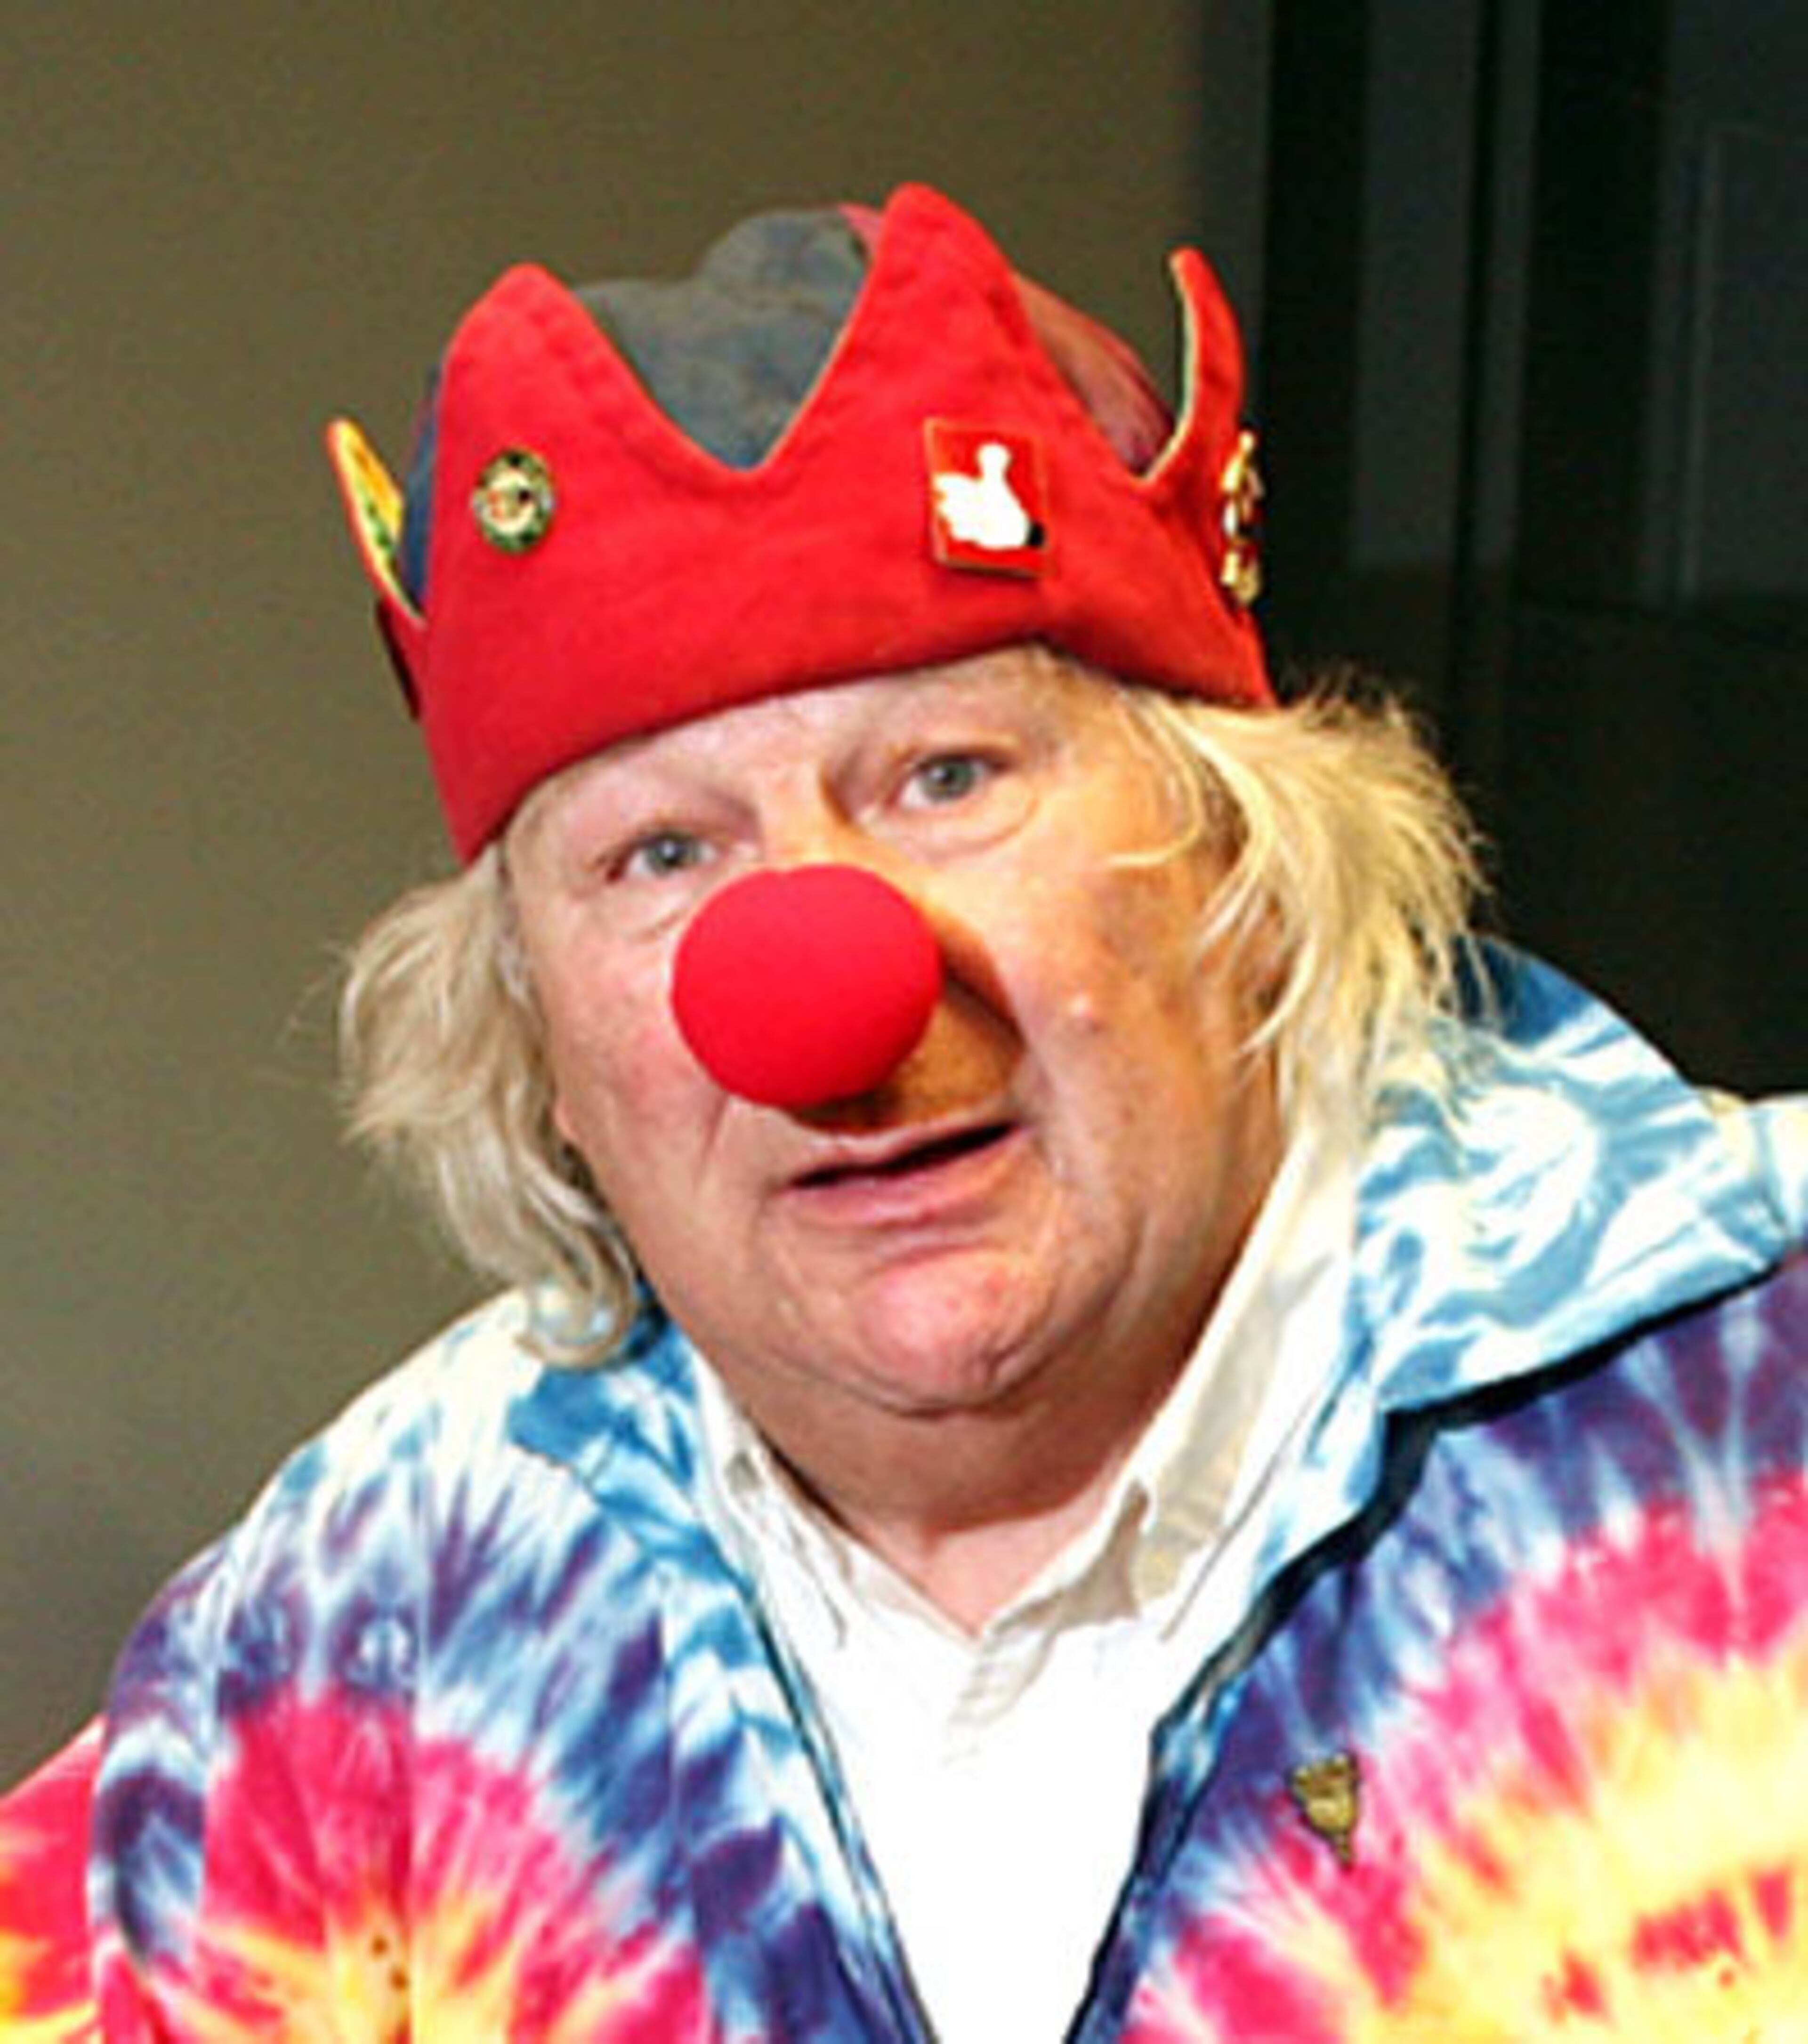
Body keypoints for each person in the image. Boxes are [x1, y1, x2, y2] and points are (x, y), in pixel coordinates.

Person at [2, 182, 1804, 2042]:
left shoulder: (1767, 1426)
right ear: (542, 1049)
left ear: (1247, 864)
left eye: (947, 777)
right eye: (660, 853)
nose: (823, 987)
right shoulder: (355, 1634)